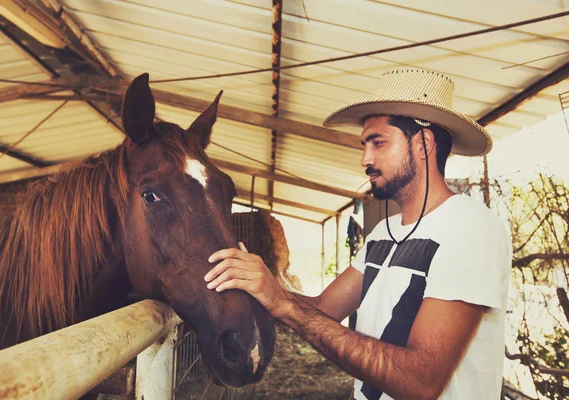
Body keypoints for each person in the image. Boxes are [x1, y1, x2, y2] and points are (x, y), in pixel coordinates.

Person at [205, 68, 511, 400]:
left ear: (423, 143)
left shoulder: (470, 227)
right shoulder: (382, 234)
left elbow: (421, 382)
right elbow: (323, 309)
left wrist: (285, 305)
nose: (365, 158)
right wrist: (258, 288)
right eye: (364, 145)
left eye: (378, 142)